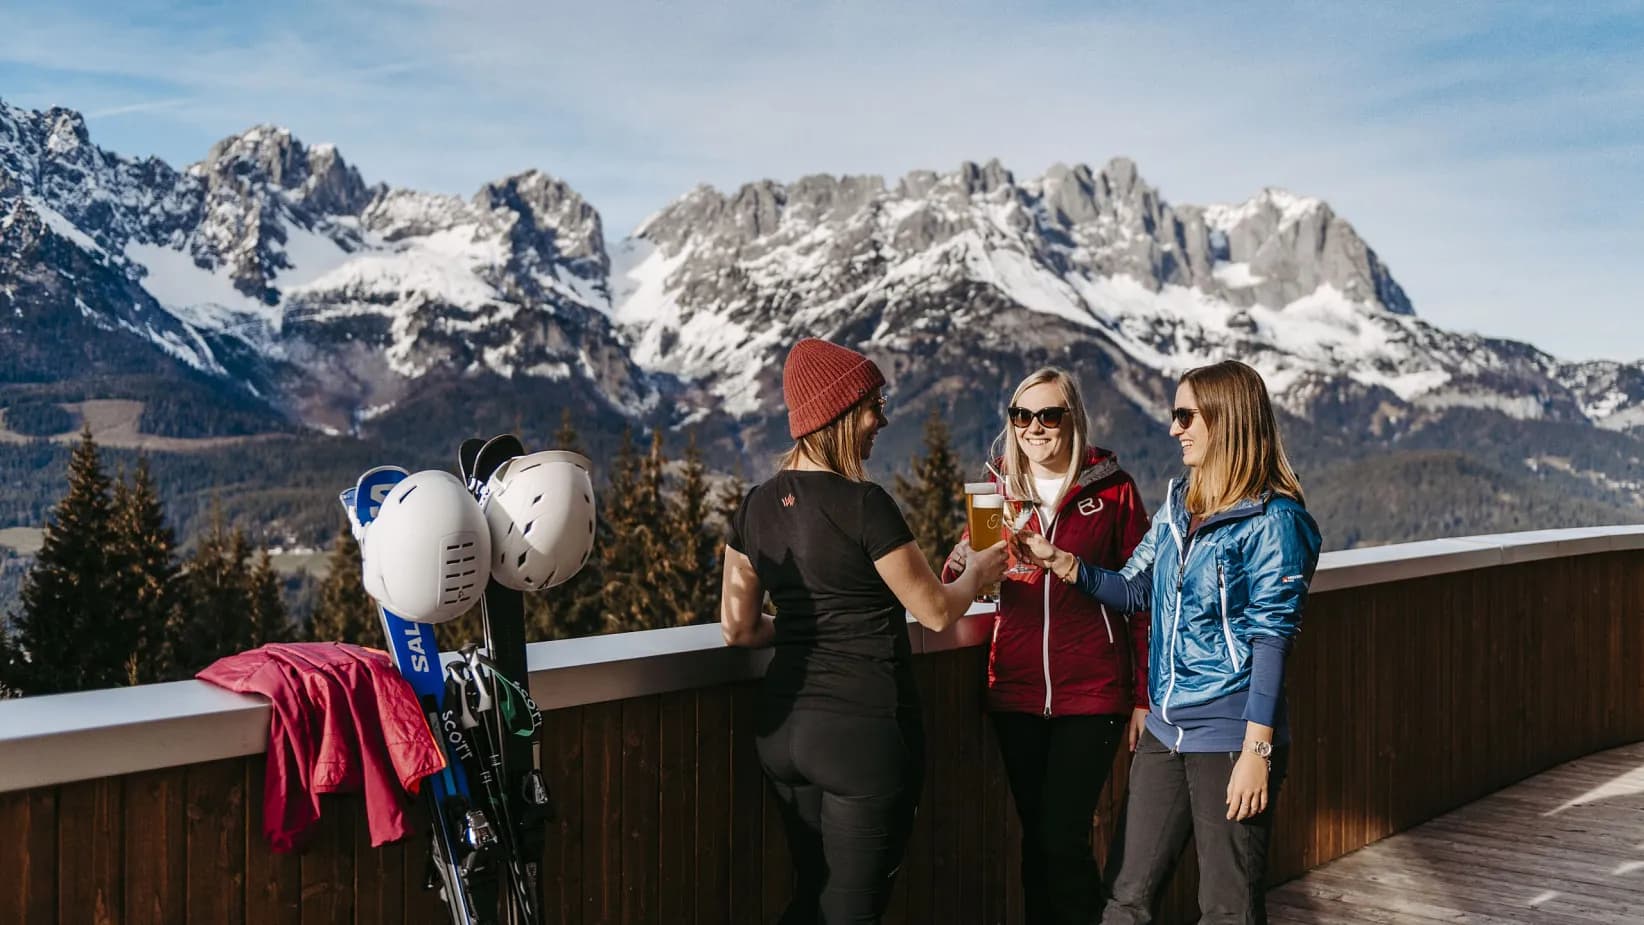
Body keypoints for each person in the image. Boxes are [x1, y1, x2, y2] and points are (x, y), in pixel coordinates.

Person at [1015, 359, 1322, 925]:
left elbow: (1273, 639)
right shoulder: (1181, 502)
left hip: (1230, 733)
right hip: (1164, 727)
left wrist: (1257, 751)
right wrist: (1061, 562)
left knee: (1226, 907)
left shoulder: (1275, 521)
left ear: (1225, 421)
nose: (1173, 428)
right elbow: (1135, 588)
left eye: (1186, 416)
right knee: (1124, 895)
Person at [720, 337, 1008, 924]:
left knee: (812, 895)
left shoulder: (753, 507)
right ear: (837, 416)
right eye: (872, 406)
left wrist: (804, 623)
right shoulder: (865, 504)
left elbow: (739, 629)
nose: (882, 419)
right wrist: (979, 570)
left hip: (783, 734)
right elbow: (932, 609)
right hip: (860, 732)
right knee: (852, 912)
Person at [940, 367, 1151, 925]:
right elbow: (966, 573)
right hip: (1016, 691)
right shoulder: (999, 492)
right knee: (1036, 840)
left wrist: (1144, 696)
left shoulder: (1113, 489)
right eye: (1022, 415)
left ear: (1072, 419)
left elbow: (1145, 594)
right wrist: (960, 563)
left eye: (1048, 415)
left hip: (1095, 691)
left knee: (1062, 838)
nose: (1034, 427)